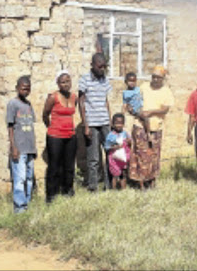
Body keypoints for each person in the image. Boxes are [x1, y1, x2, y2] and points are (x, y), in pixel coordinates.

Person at [128, 65, 174, 190]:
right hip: (140, 126)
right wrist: (138, 112)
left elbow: (165, 109)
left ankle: (152, 181)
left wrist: (150, 112)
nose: (155, 80)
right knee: (141, 155)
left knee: (154, 155)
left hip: (156, 127)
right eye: (154, 77)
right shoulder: (143, 87)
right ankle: (141, 183)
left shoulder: (166, 91)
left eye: (158, 77)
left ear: (163, 78)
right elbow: (134, 102)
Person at [79, 53, 112, 192]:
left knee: (110, 153)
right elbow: (81, 103)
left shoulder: (105, 80)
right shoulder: (84, 79)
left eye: (104, 66)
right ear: (92, 64)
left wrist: (110, 122)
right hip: (91, 124)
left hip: (105, 123)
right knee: (93, 158)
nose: (102, 69)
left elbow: (106, 101)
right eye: (100, 66)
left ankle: (109, 185)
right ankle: (93, 187)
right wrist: (85, 125)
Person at [42, 70, 77, 203]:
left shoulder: (74, 97)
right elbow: (45, 114)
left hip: (70, 136)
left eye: (68, 81)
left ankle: (67, 192)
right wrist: (52, 128)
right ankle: (51, 196)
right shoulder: (53, 97)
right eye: (62, 82)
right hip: (55, 136)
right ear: (58, 83)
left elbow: (72, 111)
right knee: (54, 167)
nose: (66, 84)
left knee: (69, 167)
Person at [6, 75, 37, 213]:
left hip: (30, 148)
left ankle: (28, 204)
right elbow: (10, 127)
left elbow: (31, 126)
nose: (26, 91)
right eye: (23, 88)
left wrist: (34, 148)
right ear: (17, 88)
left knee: (29, 178)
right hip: (19, 149)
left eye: (28, 89)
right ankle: (20, 209)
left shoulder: (28, 105)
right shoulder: (13, 104)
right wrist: (13, 147)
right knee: (20, 179)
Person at [122, 72, 151, 145]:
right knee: (131, 127)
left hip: (141, 108)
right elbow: (125, 104)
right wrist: (122, 113)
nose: (132, 83)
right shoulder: (125, 93)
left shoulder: (139, 89)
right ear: (126, 82)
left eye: (134, 81)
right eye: (130, 81)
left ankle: (148, 133)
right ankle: (128, 140)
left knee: (146, 118)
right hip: (134, 111)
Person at [105, 113, 131, 190]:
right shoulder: (110, 135)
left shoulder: (125, 134)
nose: (119, 125)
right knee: (114, 174)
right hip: (114, 159)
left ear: (123, 124)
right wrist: (115, 147)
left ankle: (123, 189)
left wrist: (129, 141)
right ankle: (113, 189)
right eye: (117, 123)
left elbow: (130, 143)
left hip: (123, 159)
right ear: (113, 124)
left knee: (123, 173)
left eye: (121, 123)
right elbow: (107, 147)